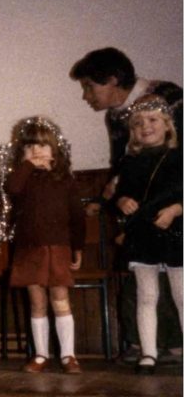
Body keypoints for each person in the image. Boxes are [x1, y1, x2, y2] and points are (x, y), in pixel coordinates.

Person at [70, 47, 183, 363]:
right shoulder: (115, 115)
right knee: (142, 279)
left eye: (91, 86)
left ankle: (174, 346)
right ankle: (145, 346)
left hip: (173, 211)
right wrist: (108, 198)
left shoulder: (169, 97)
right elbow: (124, 166)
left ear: (113, 80)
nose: (86, 96)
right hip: (142, 215)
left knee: (177, 284)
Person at [6, 116, 85, 375]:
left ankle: (68, 355)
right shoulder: (23, 178)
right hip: (29, 248)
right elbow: (12, 187)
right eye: (30, 147)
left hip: (58, 247)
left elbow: (77, 216)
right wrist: (28, 166)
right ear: (22, 154)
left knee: (60, 299)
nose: (36, 151)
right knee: (37, 301)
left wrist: (78, 247)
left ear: (55, 150)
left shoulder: (65, 180)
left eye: (42, 145)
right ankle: (41, 354)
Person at [113, 96, 182, 374]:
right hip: (143, 235)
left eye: (153, 120)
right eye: (138, 123)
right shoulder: (130, 161)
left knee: (181, 295)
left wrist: (176, 210)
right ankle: (148, 353)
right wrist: (121, 201)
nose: (146, 126)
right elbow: (120, 193)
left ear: (167, 125)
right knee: (146, 295)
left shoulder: (179, 157)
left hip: (175, 231)